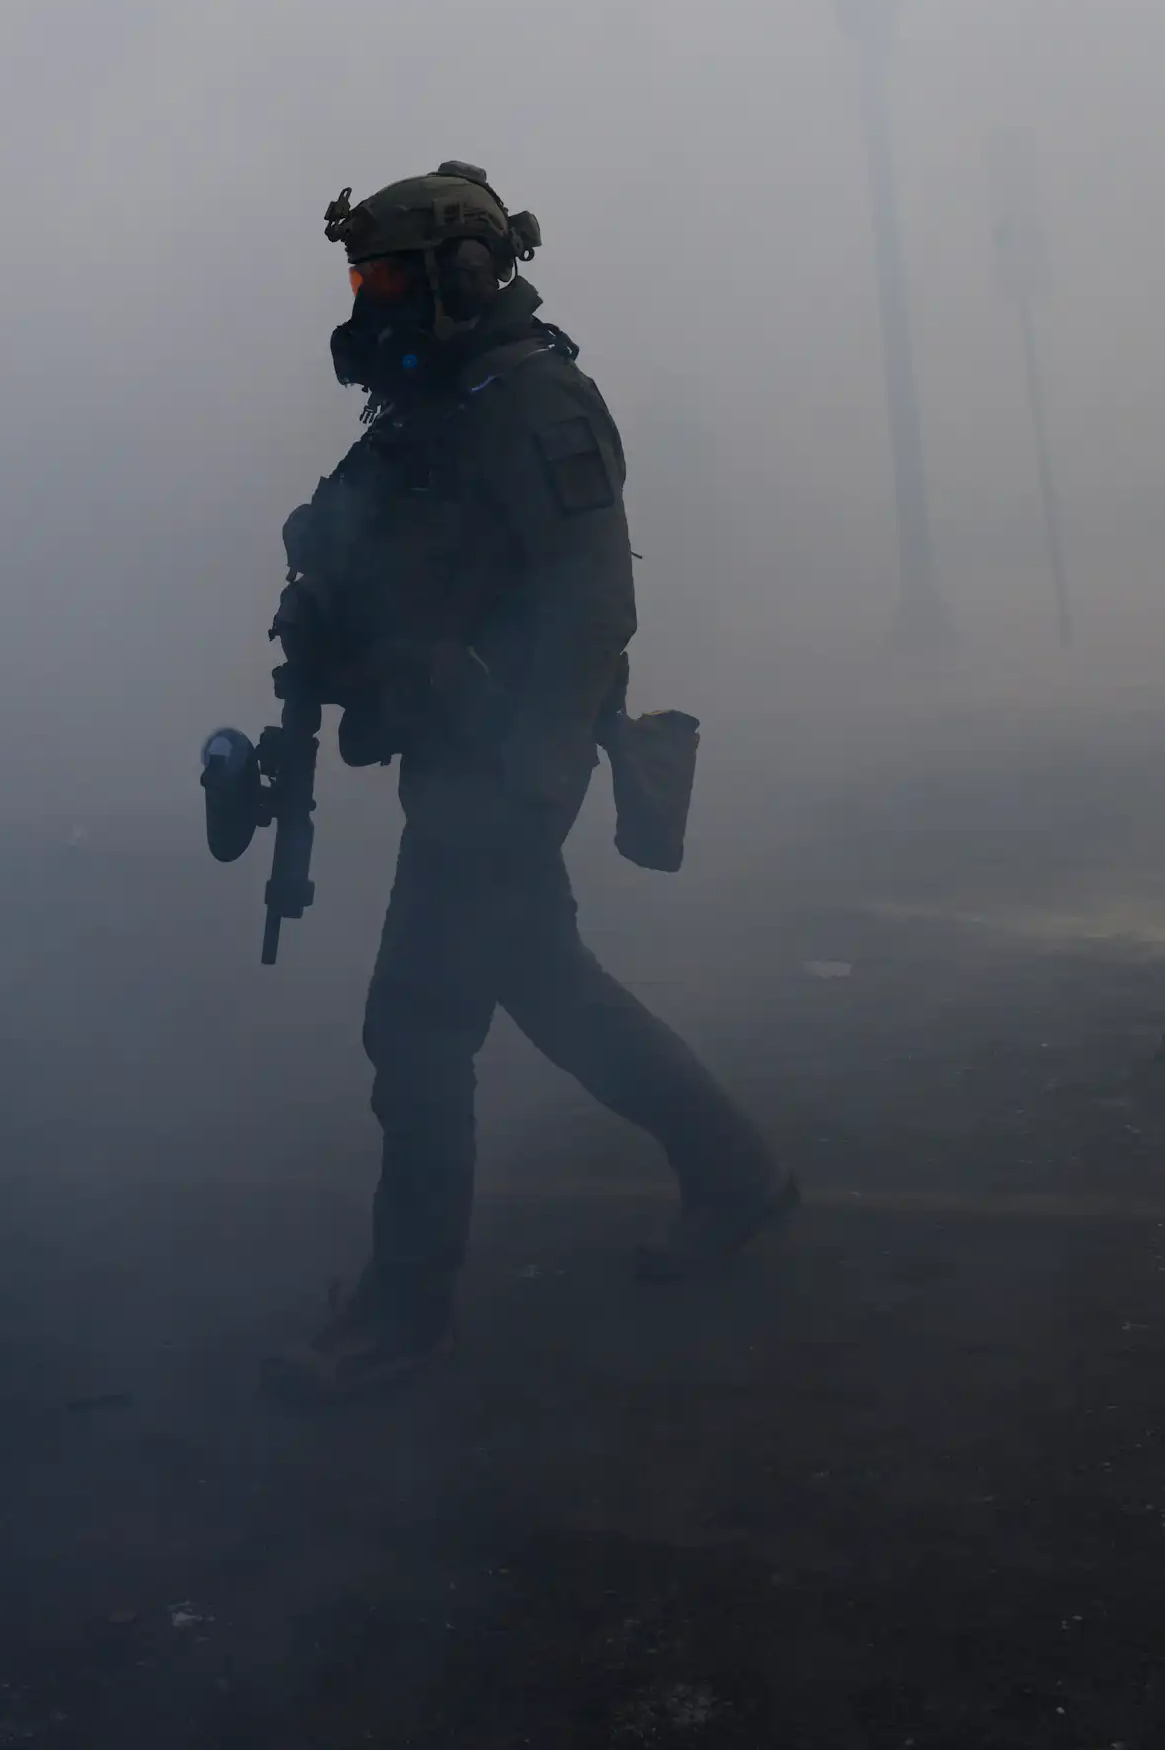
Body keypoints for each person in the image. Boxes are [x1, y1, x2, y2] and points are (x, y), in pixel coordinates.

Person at [261, 162, 795, 1405]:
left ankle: (402, 1314)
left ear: (459, 272)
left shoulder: (531, 402)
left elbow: (593, 607)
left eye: (386, 277)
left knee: (414, 1028)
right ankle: (735, 1174)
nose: (368, 301)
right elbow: (358, 550)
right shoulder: (429, 406)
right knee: (551, 987)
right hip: (457, 752)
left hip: (503, 764)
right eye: (361, 279)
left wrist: (522, 776)